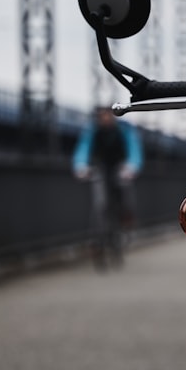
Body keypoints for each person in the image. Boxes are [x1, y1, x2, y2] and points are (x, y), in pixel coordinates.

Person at [72, 106, 143, 268]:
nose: (105, 119)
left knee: (125, 195)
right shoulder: (92, 131)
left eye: (107, 116)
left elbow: (134, 150)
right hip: (101, 169)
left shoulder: (124, 130)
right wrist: (80, 166)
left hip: (119, 167)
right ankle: (96, 240)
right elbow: (83, 148)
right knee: (101, 205)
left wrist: (132, 167)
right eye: (101, 116)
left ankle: (127, 220)